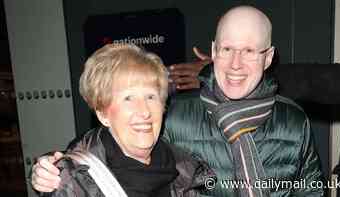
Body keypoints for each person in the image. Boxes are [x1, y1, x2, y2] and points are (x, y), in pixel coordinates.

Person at [31, 5, 324, 197]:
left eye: (249, 51)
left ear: (268, 57)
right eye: (227, 49)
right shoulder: (174, 114)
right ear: (213, 50)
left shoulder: (294, 122)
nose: (235, 63)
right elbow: (112, 139)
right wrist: (53, 167)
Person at [31, 43, 215, 197]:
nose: (144, 111)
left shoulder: (184, 167)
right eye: (128, 98)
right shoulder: (79, 181)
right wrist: (49, 172)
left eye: (151, 97)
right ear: (103, 114)